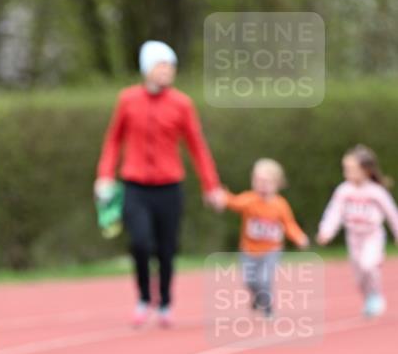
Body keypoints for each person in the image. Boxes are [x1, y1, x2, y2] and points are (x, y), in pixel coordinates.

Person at [95, 40, 224, 327]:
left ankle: (165, 302)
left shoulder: (182, 104)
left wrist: (211, 186)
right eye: (162, 64)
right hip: (135, 185)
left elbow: (197, 146)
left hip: (169, 187)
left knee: (167, 248)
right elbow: (113, 140)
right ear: (147, 68)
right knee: (140, 243)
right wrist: (105, 176)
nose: (167, 71)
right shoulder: (127, 100)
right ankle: (144, 298)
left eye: (171, 65)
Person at [215, 159, 309, 316]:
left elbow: (289, 225)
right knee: (249, 280)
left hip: (271, 251)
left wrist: (299, 237)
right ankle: (258, 297)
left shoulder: (280, 205)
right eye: (258, 181)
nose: (262, 186)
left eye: (266, 182)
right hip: (248, 250)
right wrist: (221, 196)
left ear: (277, 183)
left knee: (264, 279)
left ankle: (267, 306)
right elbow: (234, 202)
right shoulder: (249, 200)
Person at [316, 145, 398, 317]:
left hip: (372, 235)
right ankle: (368, 297)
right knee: (359, 274)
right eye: (346, 169)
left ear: (366, 170)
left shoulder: (376, 191)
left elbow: (391, 212)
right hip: (353, 237)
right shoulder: (344, 190)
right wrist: (326, 231)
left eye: (352, 169)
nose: (348, 172)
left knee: (368, 265)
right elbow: (334, 212)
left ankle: (375, 296)